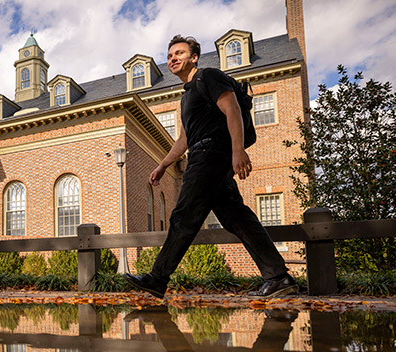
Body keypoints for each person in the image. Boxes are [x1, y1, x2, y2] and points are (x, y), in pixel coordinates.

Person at [123, 35, 297, 299]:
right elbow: (183, 139)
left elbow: (233, 109)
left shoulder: (208, 77)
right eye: (170, 55)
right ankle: (279, 278)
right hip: (203, 155)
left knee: (183, 216)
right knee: (235, 217)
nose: (173, 58)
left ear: (193, 57)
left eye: (179, 53)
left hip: (210, 154)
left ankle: (157, 279)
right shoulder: (186, 97)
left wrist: (237, 150)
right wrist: (162, 165)